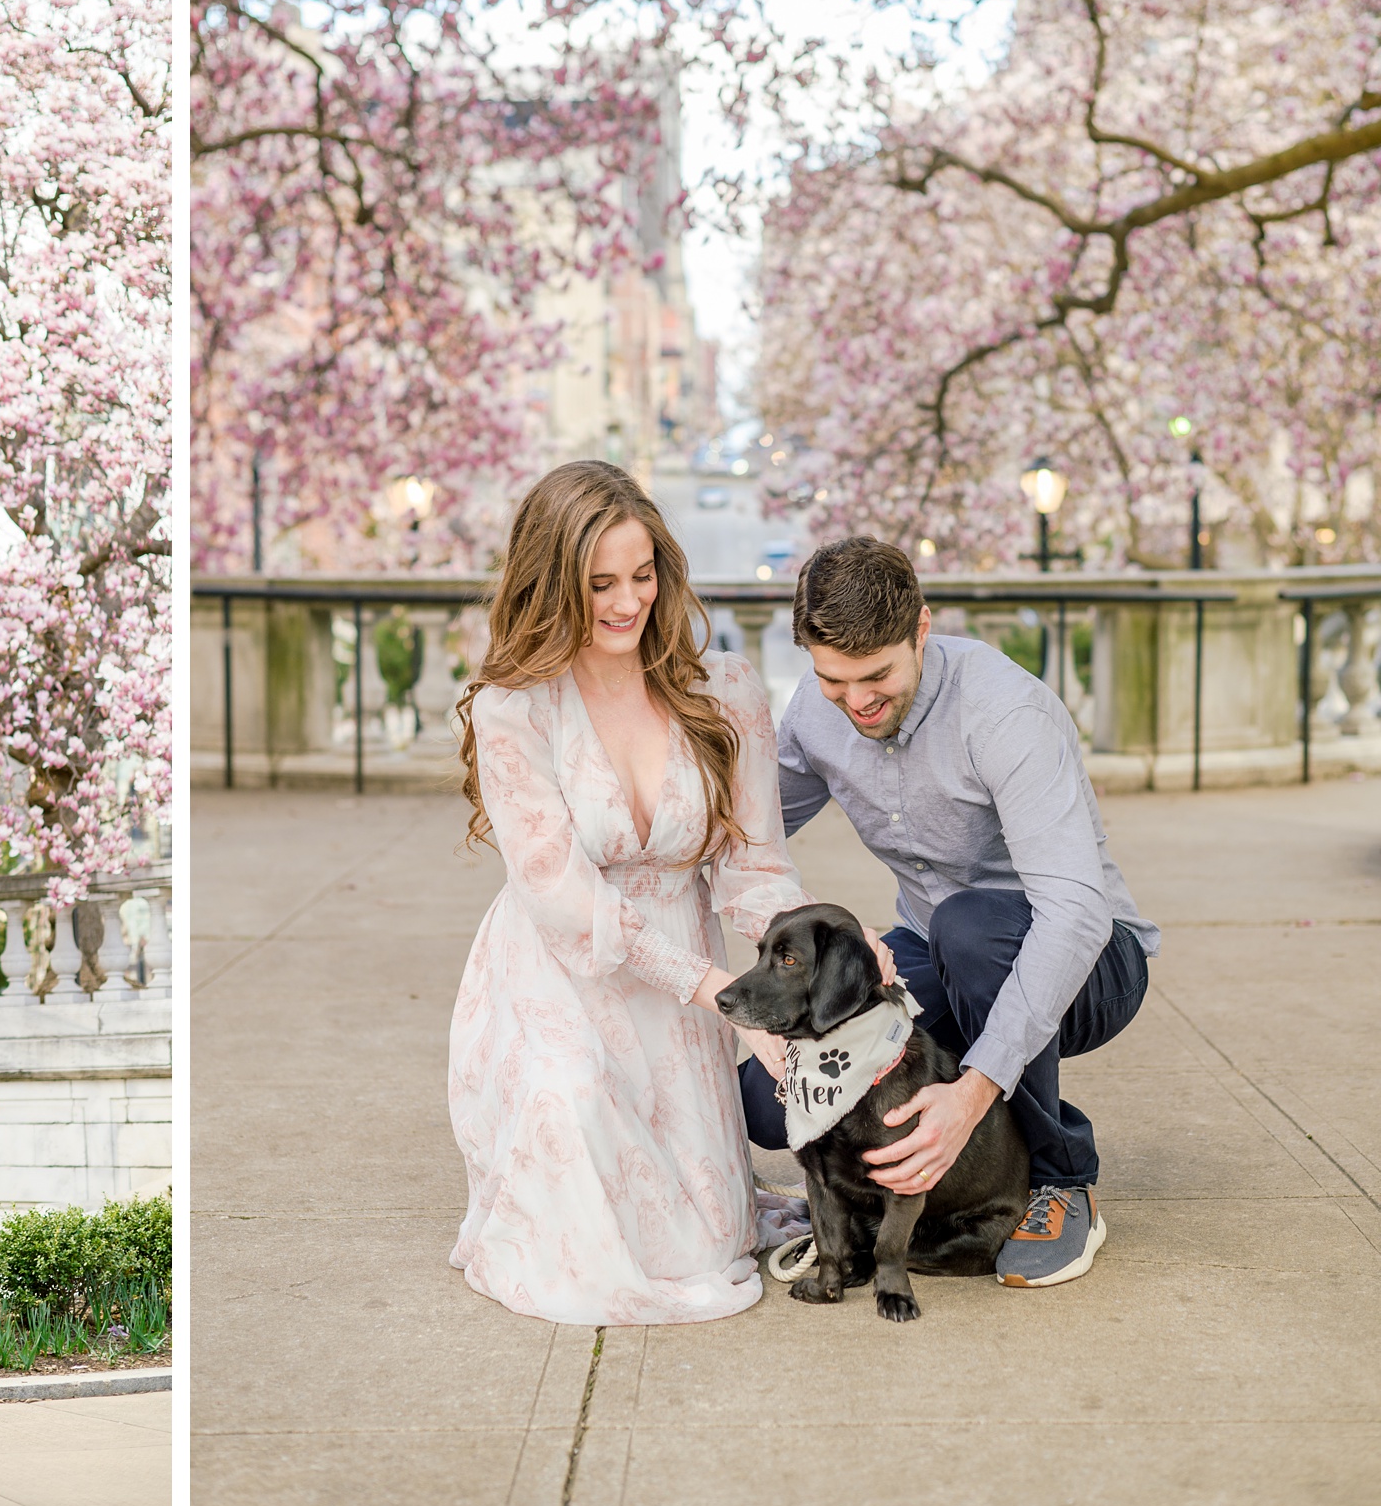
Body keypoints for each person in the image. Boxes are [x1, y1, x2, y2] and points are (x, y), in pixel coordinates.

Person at [743, 535, 1158, 1288]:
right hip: (936, 948)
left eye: (876, 676)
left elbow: (1073, 915)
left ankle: (1063, 1180)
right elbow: (749, 838)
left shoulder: (1006, 716)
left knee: (971, 930)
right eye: (835, 681)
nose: (857, 700)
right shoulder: (817, 709)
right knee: (769, 1105)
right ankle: (893, 1202)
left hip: (1093, 960)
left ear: (922, 630)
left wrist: (971, 1096)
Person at [448, 461, 809, 1324]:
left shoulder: (724, 694)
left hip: (685, 994)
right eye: (599, 584)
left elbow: (755, 872)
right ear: (553, 585)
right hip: (554, 976)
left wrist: (781, 998)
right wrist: (718, 990)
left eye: (642, 576)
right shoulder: (515, 710)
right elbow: (563, 902)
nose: (627, 602)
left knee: (703, 1241)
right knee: (570, 1127)